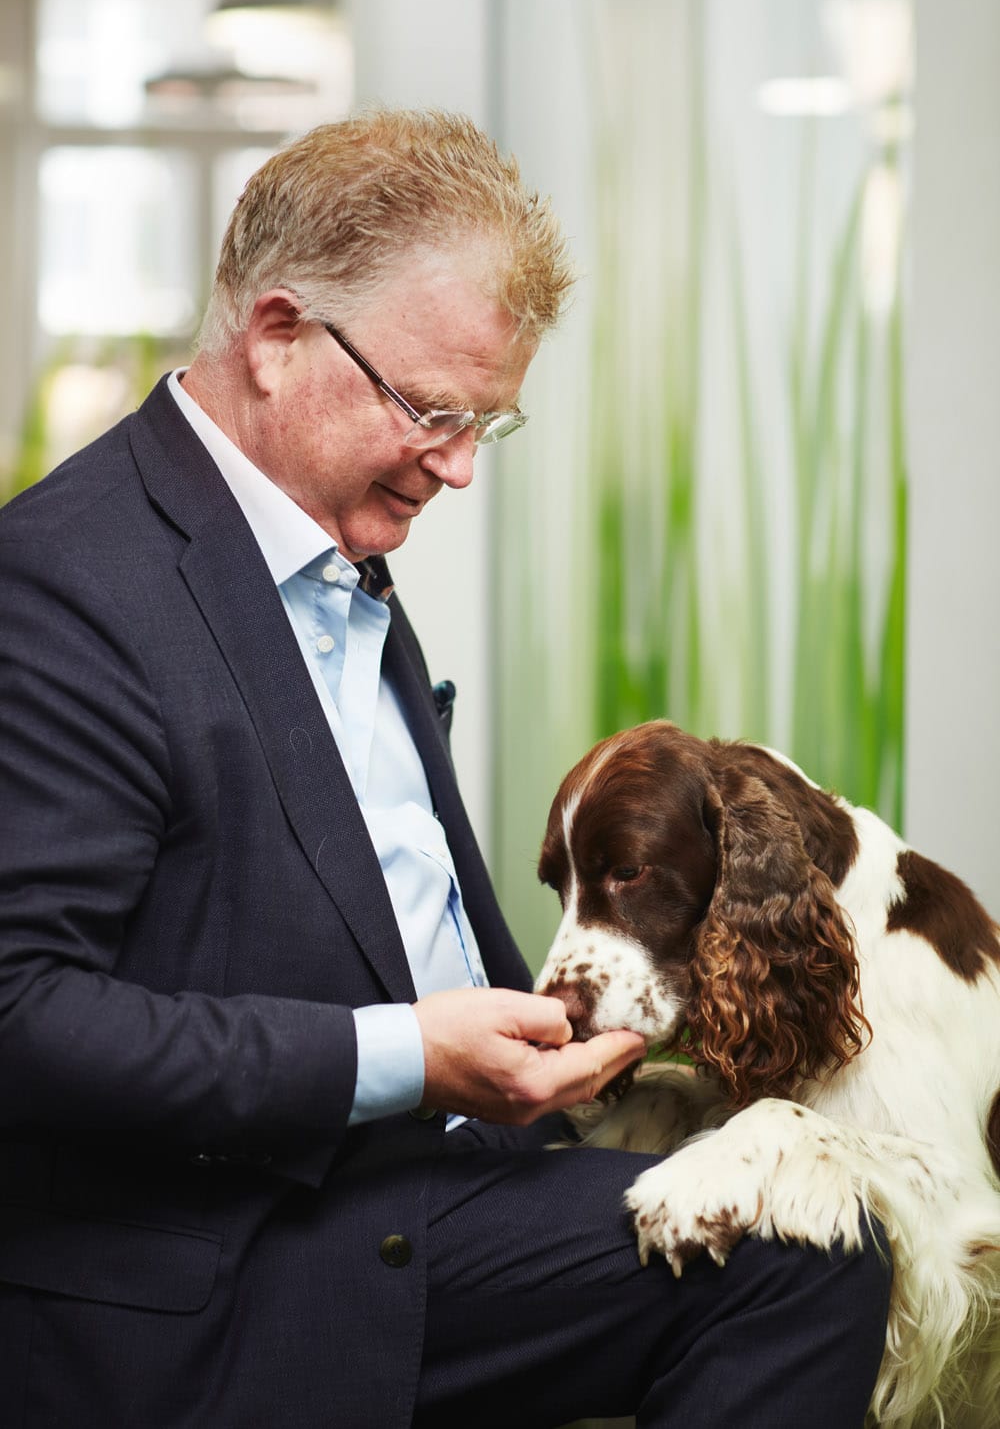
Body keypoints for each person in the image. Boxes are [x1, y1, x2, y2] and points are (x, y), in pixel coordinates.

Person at [0, 109, 890, 1428]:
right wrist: (408, 1057)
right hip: (238, 1269)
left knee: (819, 1203)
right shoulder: (62, 587)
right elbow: (21, 1015)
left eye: (489, 422)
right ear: (278, 335)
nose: (462, 468)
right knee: (804, 1255)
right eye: (431, 410)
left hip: (435, 1183)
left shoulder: (334, 555)